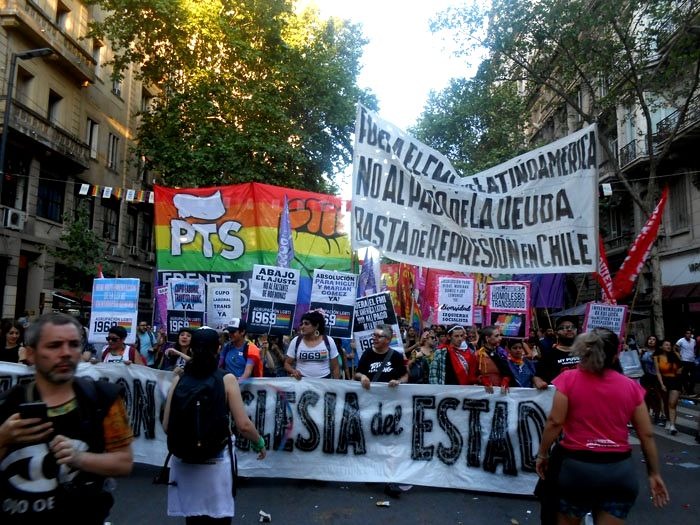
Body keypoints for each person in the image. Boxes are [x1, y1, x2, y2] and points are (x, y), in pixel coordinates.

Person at [0, 312, 134, 524]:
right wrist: (3, 438)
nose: (66, 353)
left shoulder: (103, 399)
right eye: (54, 346)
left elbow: (124, 463)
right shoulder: (7, 403)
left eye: (73, 344)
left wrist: (80, 459)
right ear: (31, 354)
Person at [535, 328, 669, 524]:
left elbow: (555, 422)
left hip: (576, 469)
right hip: (618, 470)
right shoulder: (630, 386)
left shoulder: (569, 379)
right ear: (616, 355)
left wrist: (543, 454)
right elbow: (646, 435)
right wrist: (654, 473)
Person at [164, 327, 266, 524]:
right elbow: (243, 425)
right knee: (218, 518)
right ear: (218, 349)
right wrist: (259, 442)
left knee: (193, 517)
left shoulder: (179, 377)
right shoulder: (226, 379)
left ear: (191, 350)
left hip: (184, 459)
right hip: (216, 460)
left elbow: (167, 425)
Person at [353, 323, 408, 499]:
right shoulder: (368, 354)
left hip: (391, 405)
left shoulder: (396, 356)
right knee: (372, 439)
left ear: (388, 339)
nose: (374, 339)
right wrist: (363, 377)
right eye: (374, 336)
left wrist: (399, 381)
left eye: (378, 336)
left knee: (390, 441)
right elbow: (357, 373)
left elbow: (405, 375)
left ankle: (390, 480)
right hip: (370, 404)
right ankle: (372, 472)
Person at [284, 310, 340, 379]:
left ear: (316, 326)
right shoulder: (296, 341)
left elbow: (335, 367)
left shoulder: (329, 341)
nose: (302, 327)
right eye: (302, 324)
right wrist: (293, 371)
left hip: (324, 384)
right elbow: (287, 364)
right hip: (302, 384)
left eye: (306, 324)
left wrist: (335, 386)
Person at [532, 316, 580, 390]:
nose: (569, 329)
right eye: (564, 327)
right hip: (559, 397)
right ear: (556, 333)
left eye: (573, 327)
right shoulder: (549, 355)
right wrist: (538, 381)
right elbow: (538, 376)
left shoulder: (585, 353)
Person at [654, 339, 683, 435]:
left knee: (672, 403)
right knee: (666, 403)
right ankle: (668, 420)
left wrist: (680, 370)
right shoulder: (657, 357)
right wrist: (662, 384)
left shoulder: (675, 355)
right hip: (664, 381)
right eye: (666, 345)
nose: (668, 346)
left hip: (675, 381)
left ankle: (672, 425)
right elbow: (658, 372)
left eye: (669, 345)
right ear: (661, 346)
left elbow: (681, 366)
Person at [475, 326, 514, 394]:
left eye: (500, 335)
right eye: (496, 336)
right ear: (487, 338)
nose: (500, 338)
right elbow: (471, 377)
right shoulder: (477, 355)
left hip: (501, 392)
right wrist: (482, 379)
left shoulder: (502, 354)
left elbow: (508, 373)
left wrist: (506, 379)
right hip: (484, 393)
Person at [640, 335, 664, 425]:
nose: (651, 341)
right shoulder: (643, 351)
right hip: (645, 376)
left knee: (656, 397)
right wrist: (640, 353)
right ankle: (646, 416)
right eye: (650, 339)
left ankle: (657, 417)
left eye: (653, 339)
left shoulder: (659, 352)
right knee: (645, 396)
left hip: (655, 377)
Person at [675, 329, 697, 397]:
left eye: (690, 333)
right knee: (684, 377)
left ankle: (690, 391)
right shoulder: (681, 340)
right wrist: (679, 355)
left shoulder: (693, 341)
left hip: (692, 361)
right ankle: (688, 392)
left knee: (693, 377)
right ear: (685, 334)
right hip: (684, 361)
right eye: (687, 333)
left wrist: (694, 354)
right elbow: (674, 348)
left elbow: (695, 348)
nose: (688, 334)